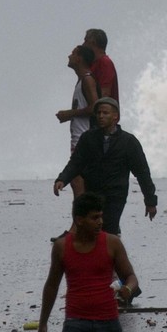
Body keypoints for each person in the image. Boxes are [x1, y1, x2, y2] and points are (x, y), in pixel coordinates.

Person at [36, 192, 139, 332]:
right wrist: (43, 323)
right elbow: (51, 286)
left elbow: (130, 276)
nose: (100, 222)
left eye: (101, 216)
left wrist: (127, 289)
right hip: (76, 324)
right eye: (94, 218)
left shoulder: (112, 243)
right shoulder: (62, 247)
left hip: (108, 324)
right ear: (79, 220)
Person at [54, 97, 157, 236]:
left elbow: (142, 173)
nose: (101, 116)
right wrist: (62, 179)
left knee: (109, 231)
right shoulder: (88, 138)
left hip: (115, 195)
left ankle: (112, 252)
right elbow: (76, 163)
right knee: (91, 230)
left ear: (115, 116)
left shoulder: (128, 142)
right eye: (99, 113)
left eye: (105, 113)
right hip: (92, 192)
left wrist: (150, 201)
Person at [55, 45, 99, 198]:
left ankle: (80, 219)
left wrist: (70, 114)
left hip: (83, 138)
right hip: (80, 138)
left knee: (78, 183)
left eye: (73, 53)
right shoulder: (82, 80)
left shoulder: (87, 79)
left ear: (79, 58)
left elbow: (95, 107)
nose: (69, 56)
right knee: (78, 183)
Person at [83, 29, 118, 105]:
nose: (83, 45)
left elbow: (105, 94)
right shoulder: (94, 64)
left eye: (85, 41)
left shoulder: (104, 62)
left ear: (93, 43)